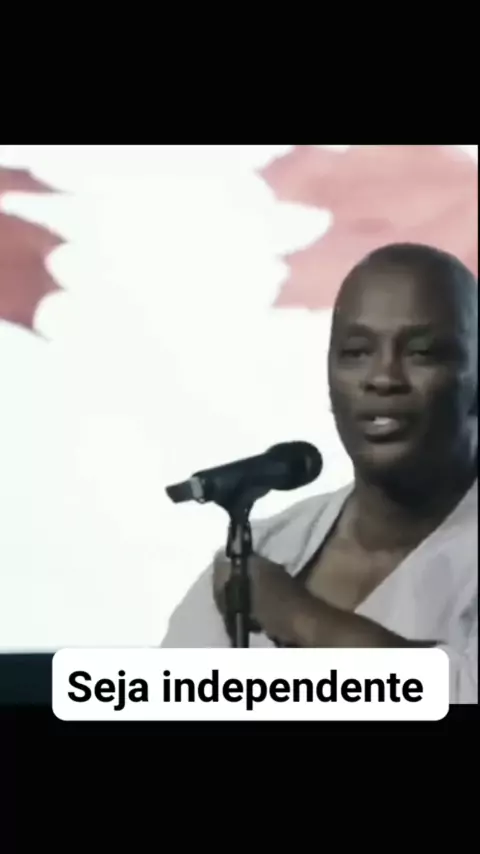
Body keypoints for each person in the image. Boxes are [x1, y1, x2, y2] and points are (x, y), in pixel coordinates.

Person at [161, 242, 478, 704]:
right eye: (356, 352)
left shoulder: (267, 588)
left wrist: (299, 617)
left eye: (422, 353)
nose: (383, 378)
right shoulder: (268, 550)